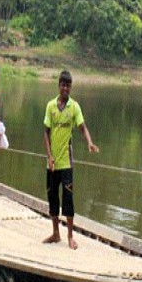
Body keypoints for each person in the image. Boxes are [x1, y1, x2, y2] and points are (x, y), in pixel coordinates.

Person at [42, 70, 99, 250]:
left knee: (68, 200)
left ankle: (70, 236)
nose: (65, 88)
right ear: (59, 86)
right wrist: (49, 156)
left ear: (70, 87)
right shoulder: (51, 106)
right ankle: (55, 233)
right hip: (52, 163)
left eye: (68, 86)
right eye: (63, 85)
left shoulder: (74, 107)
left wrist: (89, 143)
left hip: (66, 162)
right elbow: (45, 131)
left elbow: (83, 128)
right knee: (52, 198)